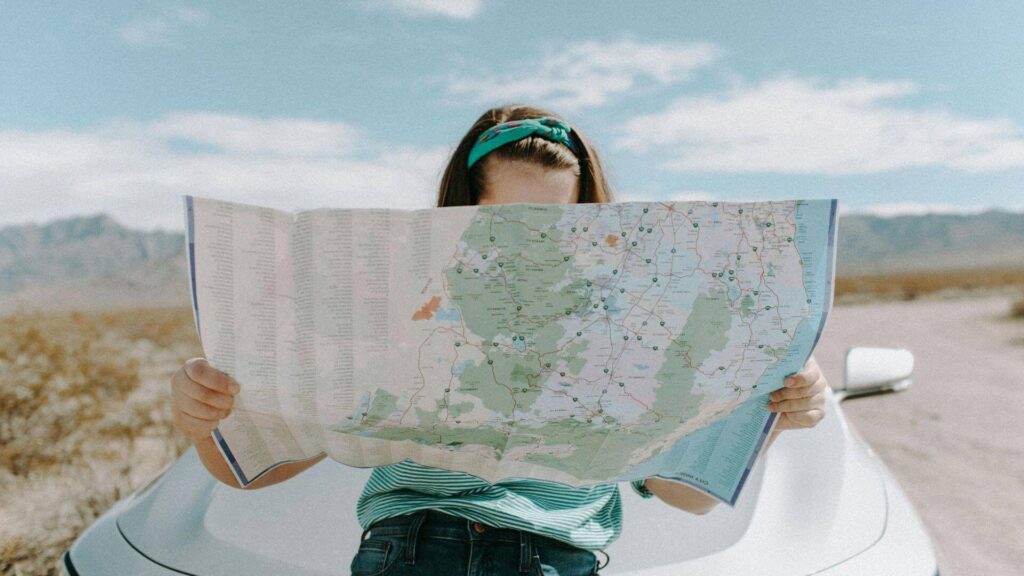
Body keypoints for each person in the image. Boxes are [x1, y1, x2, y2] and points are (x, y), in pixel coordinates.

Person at [170, 104, 829, 575]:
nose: (530, 245)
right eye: (508, 222)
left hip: (554, 559)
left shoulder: (630, 322)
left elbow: (686, 495)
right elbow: (255, 471)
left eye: (555, 225)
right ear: (461, 214)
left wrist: (768, 416)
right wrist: (206, 419)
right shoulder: (395, 303)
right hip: (408, 552)